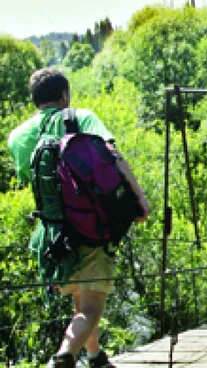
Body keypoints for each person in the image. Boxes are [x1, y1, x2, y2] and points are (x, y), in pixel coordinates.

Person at [7, 68, 150, 368]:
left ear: (34, 99)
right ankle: (63, 356)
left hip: (52, 235)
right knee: (92, 306)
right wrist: (140, 201)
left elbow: (29, 179)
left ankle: (95, 357)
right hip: (90, 225)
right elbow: (113, 157)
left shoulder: (17, 137)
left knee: (81, 300)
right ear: (64, 95)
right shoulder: (80, 117)